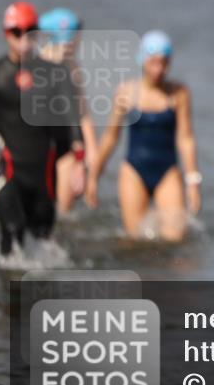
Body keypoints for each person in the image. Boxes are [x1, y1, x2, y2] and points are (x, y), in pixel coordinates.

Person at [86, 30, 201, 242]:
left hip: (168, 171)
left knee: (175, 238)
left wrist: (193, 181)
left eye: (164, 63)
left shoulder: (179, 93)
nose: (159, 69)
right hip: (133, 171)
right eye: (154, 62)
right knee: (135, 240)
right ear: (142, 60)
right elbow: (111, 136)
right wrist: (94, 177)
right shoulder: (126, 92)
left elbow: (186, 138)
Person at [0, 0, 84, 256]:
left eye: (29, 31)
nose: (23, 39)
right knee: (12, 231)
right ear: (6, 34)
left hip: (43, 173)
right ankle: (1, 294)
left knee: (41, 240)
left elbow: (72, 119)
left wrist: (79, 162)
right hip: (6, 167)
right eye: (16, 32)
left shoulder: (56, 74)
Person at [37, 8, 98, 216]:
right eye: (75, 36)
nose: (79, 41)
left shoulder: (73, 67)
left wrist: (91, 151)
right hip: (41, 144)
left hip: (69, 145)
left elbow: (82, 112)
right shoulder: (35, 67)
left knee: (63, 210)